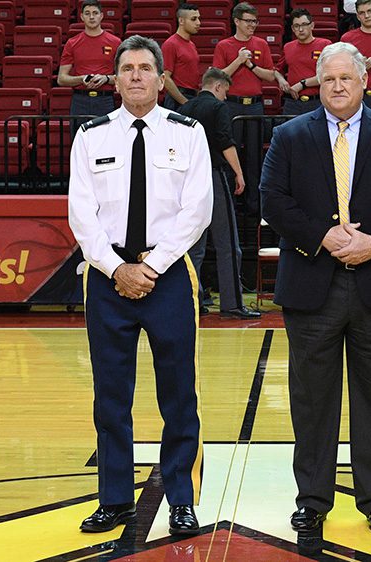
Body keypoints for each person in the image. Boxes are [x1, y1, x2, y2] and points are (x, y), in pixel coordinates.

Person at [260, 42, 371, 535]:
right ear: (317, 82)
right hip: (312, 285)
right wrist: (323, 235)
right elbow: (274, 201)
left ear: (364, 82)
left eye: (347, 79)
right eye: (329, 78)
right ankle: (312, 499)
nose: (337, 86)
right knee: (312, 399)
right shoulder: (290, 135)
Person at [68, 35, 212, 537]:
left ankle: (181, 499)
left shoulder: (189, 131)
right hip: (108, 280)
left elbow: (198, 208)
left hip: (169, 275)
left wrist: (155, 264)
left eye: (145, 68)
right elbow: (81, 216)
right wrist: (115, 269)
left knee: (178, 395)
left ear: (160, 76)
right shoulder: (90, 135)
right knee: (110, 396)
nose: (136, 76)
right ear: (114, 78)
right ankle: (114, 499)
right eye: (126, 68)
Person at [180, 68, 259, 319]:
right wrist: (239, 173)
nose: (226, 97)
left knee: (194, 245)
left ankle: (193, 301)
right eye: (225, 91)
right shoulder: (218, 108)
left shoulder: (183, 110)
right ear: (217, 87)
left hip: (186, 180)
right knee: (228, 244)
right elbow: (225, 141)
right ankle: (232, 304)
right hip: (212, 175)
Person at [214, 2, 277, 212]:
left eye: (255, 21)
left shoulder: (261, 44)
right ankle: (230, 206)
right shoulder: (224, 45)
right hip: (232, 105)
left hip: (255, 106)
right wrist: (239, 60)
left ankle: (253, 207)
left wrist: (250, 65)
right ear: (236, 21)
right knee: (231, 156)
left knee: (254, 157)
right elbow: (218, 78)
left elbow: (270, 75)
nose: (252, 26)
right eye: (248, 21)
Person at [58, 0, 122, 122]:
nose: (91, 17)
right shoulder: (72, 43)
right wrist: (81, 79)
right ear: (82, 17)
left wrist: (106, 79)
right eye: (87, 13)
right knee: (79, 139)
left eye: (95, 13)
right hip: (80, 100)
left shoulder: (115, 42)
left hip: (105, 100)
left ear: (101, 16)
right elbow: (61, 78)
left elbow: (123, 76)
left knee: (107, 140)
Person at [275, 9, 332, 115]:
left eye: (304, 24)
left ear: (312, 25)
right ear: (292, 28)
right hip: (292, 103)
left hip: (317, 102)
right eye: (296, 26)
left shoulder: (325, 45)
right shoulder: (288, 47)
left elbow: (329, 74)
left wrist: (302, 84)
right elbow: (277, 70)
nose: (301, 29)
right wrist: (281, 80)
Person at [161, 3, 202, 111]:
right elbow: (166, 78)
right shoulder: (171, 44)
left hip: (191, 96)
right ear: (181, 21)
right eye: (194, 19)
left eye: (198, 19)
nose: (198, 23)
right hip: (178, 99)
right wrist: (184, 102)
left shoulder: (191, 44)